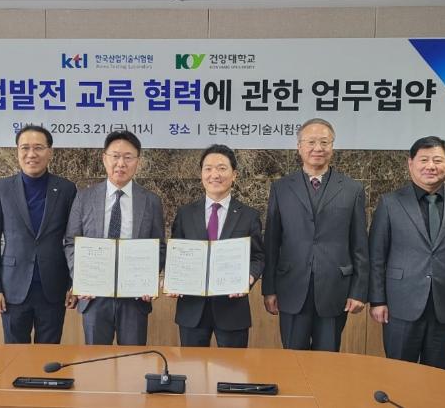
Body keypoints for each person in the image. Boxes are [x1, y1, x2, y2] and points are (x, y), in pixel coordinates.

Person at [368, 136, 445, 370]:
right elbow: (377, 256)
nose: (431, 166)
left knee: (438, 374)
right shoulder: (390, 203)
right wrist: (377, 300)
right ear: (410, 163)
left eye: (437, 160)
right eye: (424, 160)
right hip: (401, 304)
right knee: (398, 371)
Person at [263, 118, 369, 351]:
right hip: (291, 287)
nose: (317, 148)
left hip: (335, 289)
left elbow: (359, 244)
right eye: (311, 142)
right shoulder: (281, 188)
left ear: (332, 147)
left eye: (324, 142)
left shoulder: (352, 189)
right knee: (293, 358)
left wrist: (359, 291)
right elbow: (271, 242)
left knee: (328, 360)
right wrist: (268, 289)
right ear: (299, 147)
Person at [64, 130, 165, 345]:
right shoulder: (84, 198)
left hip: (134, 298)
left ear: (138, 162)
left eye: (128, 157)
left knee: (133, 359)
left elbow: (159, 247)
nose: (121, 163)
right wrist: (80, 278)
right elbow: (71, 242)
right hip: (94, 297)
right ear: (104, 159)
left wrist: (148, 278)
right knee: (96, 359)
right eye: (115, 156)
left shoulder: (151, 201)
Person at [0, 125, 77, 344]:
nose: (31, 154)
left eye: (38, 148)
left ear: (50, 152)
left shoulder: (66, 189)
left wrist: (75, 284)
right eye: (25, 148)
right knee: (14, 355)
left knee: (49, 353)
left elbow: (73, 241)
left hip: (53, 288)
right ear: (17, 151)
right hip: (12, 289)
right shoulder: (1, 188)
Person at [168, 144, 265, 348]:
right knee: (192, 365)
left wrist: (249, 277)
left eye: (222, 168)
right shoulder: (185, 214)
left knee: (233, 366)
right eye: (208, 168)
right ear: (201, 174)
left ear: (234, 174)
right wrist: (173, 280)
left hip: (232, 308)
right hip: (192, 308)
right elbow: (175, 254)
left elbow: (258, 257)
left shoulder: (249, 216)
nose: (215, 175)